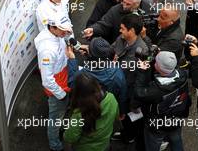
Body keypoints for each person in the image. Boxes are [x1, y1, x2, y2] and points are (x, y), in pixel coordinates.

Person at [134, 51, 190, 151]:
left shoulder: (156, 90)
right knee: (176, 140)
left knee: (153, 144)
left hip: (157, 126)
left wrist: (142, 72)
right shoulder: (183, 75)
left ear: (158, 68)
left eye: (156, 62)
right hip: (177, 118)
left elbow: (139, 93)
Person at [34, 17, 73, 151]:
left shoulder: (56, 34)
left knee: (59, 115)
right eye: (63, 30)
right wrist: (61, 94)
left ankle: (58, 134)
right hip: (58, 90)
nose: (66, 33)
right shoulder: (47, 50)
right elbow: (47, 80)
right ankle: (55, 146)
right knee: (54, 120)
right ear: (52, 27)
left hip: (63, 81)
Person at [111, 14, 148, 149]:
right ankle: (126, 132)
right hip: (119, 89)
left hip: (129, 94)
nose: (120, 31)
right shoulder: (121, 39)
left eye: (122, 28)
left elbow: (137, 78)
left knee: (129, 117)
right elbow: (112, 49)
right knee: (124, 117)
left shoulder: (141, 52)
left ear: (131, 31)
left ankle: (130, 136)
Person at [66, 37, 127, 117]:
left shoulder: (82, 75)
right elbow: (122, 95)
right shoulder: (117, 72)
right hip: (108, 109)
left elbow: (71, 83)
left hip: (88, 111)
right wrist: (121, 112)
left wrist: (72, 59)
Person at [63, 73, 119, 151]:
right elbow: (116, 119)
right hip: (104, 145)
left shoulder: (79, 114)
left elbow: (70, 138)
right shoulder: (111, 98)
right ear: (96, 85)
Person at [83, 0, 151, 44]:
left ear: (137, 3)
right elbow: (104, 24)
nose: (124, 6)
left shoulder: (148, 11)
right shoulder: (116, 10)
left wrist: (145, 37)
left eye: (128, 4)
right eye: (123, 2)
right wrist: (93, 29)